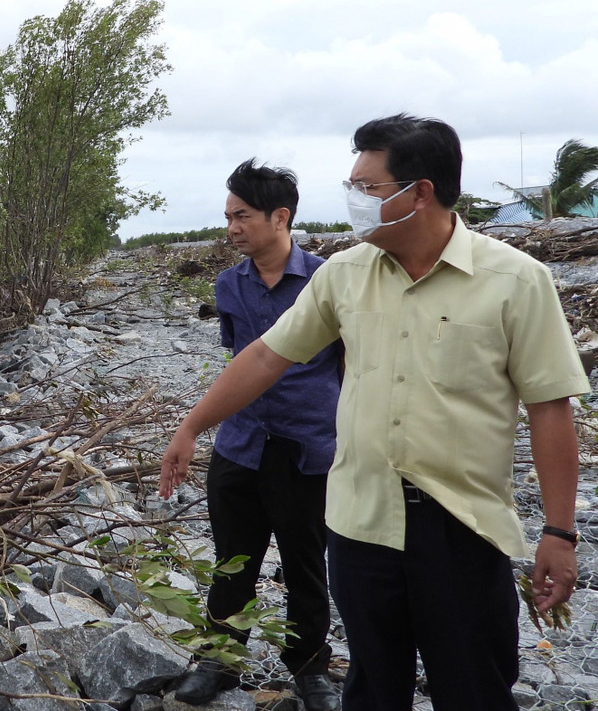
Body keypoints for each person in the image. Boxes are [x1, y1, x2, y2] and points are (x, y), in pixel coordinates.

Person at [160, 114, 587, 711]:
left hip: (461, 526)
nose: (354, 201)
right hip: (360, 522)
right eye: (351, 186)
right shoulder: (344, 274)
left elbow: (549, 408)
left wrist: (560, 531)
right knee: (372, 688)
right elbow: (262, 357)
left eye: (368, 188)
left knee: (472, 687)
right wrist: (191, 426)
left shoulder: (516, 281)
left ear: (421, 192)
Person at [161, 159, 343, 710]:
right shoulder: (229, 284)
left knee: (305, 563)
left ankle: (310, 667)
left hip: (307, 448)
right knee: (231, 559)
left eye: (241, 216)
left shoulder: (325, 280)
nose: (232, 227)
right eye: (227, 216)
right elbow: (240, 362)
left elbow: (350, 364)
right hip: (241, 445)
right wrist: (196, 427)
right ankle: (220, 656)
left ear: (280, 216)